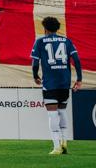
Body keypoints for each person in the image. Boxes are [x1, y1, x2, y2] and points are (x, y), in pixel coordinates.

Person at [32, 16, 82, 156]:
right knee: (62, 111)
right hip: (64, 82)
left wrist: (35, 76)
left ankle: (56, 146)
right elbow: (77, 60)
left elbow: (35, 63)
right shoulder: (66, 41)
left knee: (52, 113)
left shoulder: (40, 41)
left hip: (50, 83)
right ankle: (64, 142)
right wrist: (79, 79)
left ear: (45, 28)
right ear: (57, 28)